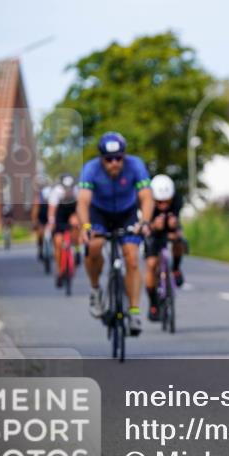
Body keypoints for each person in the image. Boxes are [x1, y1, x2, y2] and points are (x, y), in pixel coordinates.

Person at [76, 132, 154, 335]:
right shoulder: (91, 169)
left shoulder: (135, 165)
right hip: (99, 213)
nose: (114, 163)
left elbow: (146, 197)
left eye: (119, 158)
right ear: (102, 158)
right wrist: (85, 227)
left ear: (124, 156)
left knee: (132, 258)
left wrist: (144, 221)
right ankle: (95, 290)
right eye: (109, 159)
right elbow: (83, 201)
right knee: (94, 246)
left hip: (126, 213)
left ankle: (134, 312)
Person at [143, 174, 187, 321]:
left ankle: (175, 269)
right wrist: (154, 226)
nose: (163, 205)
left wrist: (175, 229)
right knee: (151, 264)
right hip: (153, 232)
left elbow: (177, 223)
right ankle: (153, 303)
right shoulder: (146, 202)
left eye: (166, 201)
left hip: (169, 228)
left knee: (179, 241)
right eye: (159, 202)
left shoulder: (177, 200)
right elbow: (144, 227)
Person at [46, 173, 81, 287]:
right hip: (60, 216)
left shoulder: (77, 191)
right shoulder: (56, 192)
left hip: (72, 213)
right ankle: (60, 270)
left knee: (76, 228)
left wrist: (79, 219)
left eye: (70, 188)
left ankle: (77, 250)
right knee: (58, 242)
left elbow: (81, 207)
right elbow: (52, 210)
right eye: (66, 188)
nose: (68, 191)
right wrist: (51, 223)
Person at [30, 174, 51, 261]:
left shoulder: (51, 194)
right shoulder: (37, 198)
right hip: (41, 218)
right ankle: (40, 249)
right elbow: (35, 211)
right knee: (40, 234)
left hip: (49, 216)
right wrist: (35, 222)